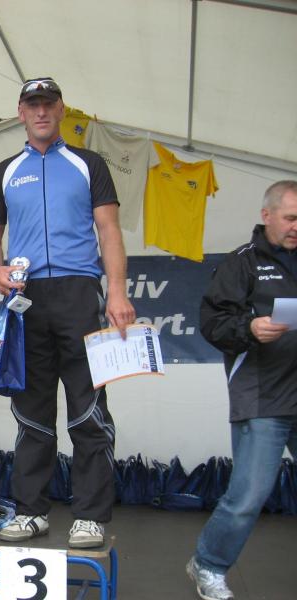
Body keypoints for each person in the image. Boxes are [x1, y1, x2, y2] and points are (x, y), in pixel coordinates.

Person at [0, 77, 135, 548]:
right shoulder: (5, 171)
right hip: (25, 297)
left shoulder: (89, 164)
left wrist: (117, 292)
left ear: (62, 109)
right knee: (31, 411)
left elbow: (109, 231)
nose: (41, 112)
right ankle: (31, 512)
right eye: (33, 105)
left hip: (79, 293)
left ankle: (90, 516)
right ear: (21, 113)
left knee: (88, 409)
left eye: (48, 104)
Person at [186, 180, 297, 600]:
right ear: (267, 216)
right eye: (290, 218)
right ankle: (208, 564)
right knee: (249, 495)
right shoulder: (242, 263)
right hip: (263, 396)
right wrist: (249, 328)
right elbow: (213, 323)